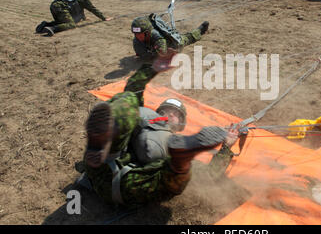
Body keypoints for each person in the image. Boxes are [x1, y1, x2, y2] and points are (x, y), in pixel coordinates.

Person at [80, 53, 244, 206]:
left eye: (175, 115)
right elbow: (133, 88)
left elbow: (209, 174)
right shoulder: (144, 119)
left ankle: (179, 163)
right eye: (164, 111)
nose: (168, 115)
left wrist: (226, 147)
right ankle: (100, 141)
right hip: (101, 166)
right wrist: (151, 68)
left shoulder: (173, 144)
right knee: (128, 100)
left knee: (178, 174)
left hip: (124, 184)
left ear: (180, 125)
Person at [35, 0, 112, 37]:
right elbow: (93, 9)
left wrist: (84, 18)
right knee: (71, 25)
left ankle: (45, 25)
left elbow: (81, 9)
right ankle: (52, 29)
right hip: (61, 8)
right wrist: (104, 18)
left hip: (55, 5)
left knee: (62, 22)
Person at [131, 13, 209, 63]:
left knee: (186, 39)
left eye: (140, 34)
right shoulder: (136, 41)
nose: (137, 36)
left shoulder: (158, 38)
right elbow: (144, 55)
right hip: (155, 49)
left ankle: (200, 30)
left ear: (147, 33)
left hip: (172, 44)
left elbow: (162, 54)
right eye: (136, 34)